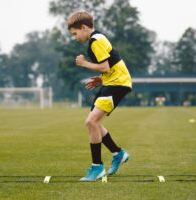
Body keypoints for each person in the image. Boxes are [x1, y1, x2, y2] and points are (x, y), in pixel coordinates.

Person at [68, 10, 132, 181]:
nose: (75, 37)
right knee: (93, 123)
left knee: (91, 122)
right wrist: (102, 80)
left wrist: (83, 64)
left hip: (118, 84)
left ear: (83, 27)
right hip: (113, 82)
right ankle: (118, 154)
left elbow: (105, 67)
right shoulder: (97, 39)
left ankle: (97, 168)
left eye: (75, 33)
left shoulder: (96, 41)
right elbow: (110, 66)